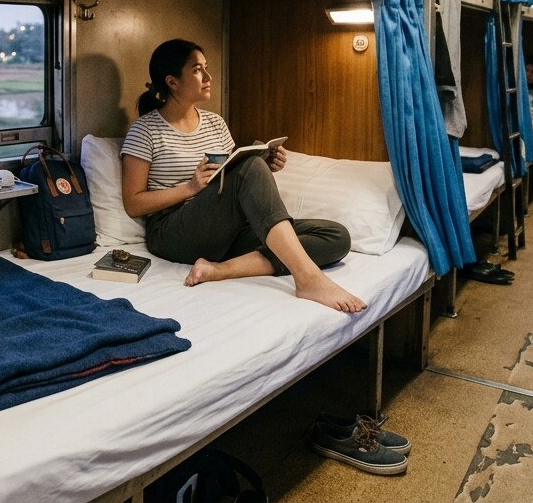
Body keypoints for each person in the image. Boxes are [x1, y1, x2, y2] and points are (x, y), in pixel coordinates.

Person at [119, 39, 366, 313]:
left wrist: (265, 165)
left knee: (335, 236)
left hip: (223, 230)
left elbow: (233, 176)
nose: (208, 77)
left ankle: (220, 269)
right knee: (250, 169)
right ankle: (308, 278)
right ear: (172, 82)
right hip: (173, 232)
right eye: (197, 70)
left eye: (207, 68)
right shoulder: (145, 130)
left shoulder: (215, 123)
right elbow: (133, 203)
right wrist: (189, 188)